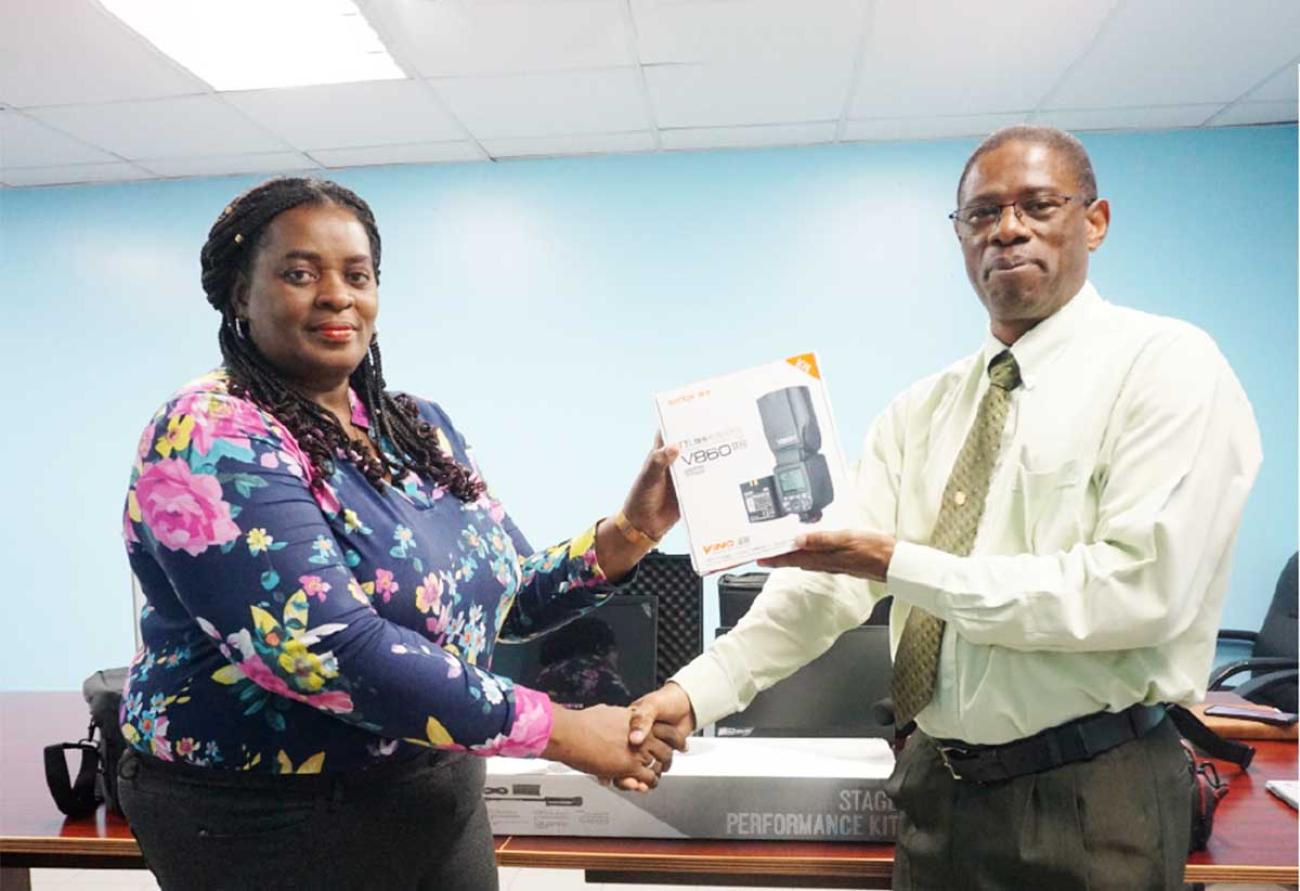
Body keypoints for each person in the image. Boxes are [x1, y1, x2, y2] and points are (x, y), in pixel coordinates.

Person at [627, 126, 1262, 890]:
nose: (1008, 228)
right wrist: (695, 692)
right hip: (935, 787)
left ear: (1094, 221)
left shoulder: (1167, 368)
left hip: (1092, 792)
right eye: (983, 213)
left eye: (1038, 204)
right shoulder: (921, 410)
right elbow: (828, 583)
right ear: (960, 235)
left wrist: (900, 562)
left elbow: (1138, 593)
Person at [118, 177, 683, 891]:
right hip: (267, 816)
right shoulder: (210, 432)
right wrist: (567, 731)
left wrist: (631, 531)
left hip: (431, 785)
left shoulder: (417, 426)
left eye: (357, 274)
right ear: (239, 293)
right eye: (300, 273)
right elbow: (331, 647)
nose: (335, 295)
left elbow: (503, 599)